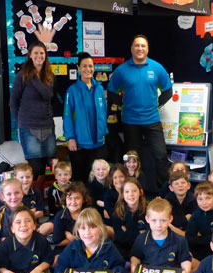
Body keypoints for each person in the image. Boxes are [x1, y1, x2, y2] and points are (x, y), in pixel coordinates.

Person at [107, 34, 173, 188]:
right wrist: (124, 104)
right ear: (131, 48)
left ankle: (165, 190)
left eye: (143, 45)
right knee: (131, 159)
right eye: (137, 45)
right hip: (130, 121)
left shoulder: (157, 67)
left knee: (161, 155)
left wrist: (157, 106)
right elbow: (111, 93)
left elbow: (168, 91)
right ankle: (133, 191)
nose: (140, 48)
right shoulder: (122, 70)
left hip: (152, 119)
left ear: (147, 49)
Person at [10, 41, 61, 177]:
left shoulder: (50, 76)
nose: (39, 56)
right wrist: (21, 122)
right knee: (35, 168)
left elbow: (53, 99)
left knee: (47, 166)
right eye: (36, 53)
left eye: (42, 53)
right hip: (29, 127)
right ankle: (33, 196)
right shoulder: (23, 76)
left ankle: (41, 197)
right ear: (30, 55)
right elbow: (13, 102)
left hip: (48, 126)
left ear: (46, 56)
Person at [130, 198, 192, 273]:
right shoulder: (141, 238)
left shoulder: (180, 240)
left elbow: (185, 259)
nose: (158, 225)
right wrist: (133, 267)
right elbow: (136, 257)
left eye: (163, 220)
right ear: (147, 219)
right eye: (154, 220)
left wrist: (186, 271)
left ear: (170, 219)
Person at [0, 206, 55, 273]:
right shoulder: (6, 244)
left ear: (34, 225)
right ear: (12, 228)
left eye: (28, 221)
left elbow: (48, 259)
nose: (23, 225)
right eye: (18, 222)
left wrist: (38, 269)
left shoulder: (41, 240)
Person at [63, 52, 108, 182]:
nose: (88, 69)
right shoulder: (72, 90)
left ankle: (94, 202)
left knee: (97, 178)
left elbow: (103, 112)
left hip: (98, 142)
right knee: (80, 178)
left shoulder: (99, 88)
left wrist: (103, 132)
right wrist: (70, 138)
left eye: (90, 66)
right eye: (84, 66)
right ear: (78, 68)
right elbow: (67, 115)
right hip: (79, 143)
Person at [186, 181, 213, 273]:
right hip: (197, 252)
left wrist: (199, 237)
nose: (204, 203)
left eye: (208, 198)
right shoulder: (196, 214)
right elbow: (189, 237)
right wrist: (209, 237)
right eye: (200, 199)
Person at [111, 177, 147, 260]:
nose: (131, 194)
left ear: (140, 192)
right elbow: (120, 237)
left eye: (134, 190)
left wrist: (127, 231)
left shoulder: (148, 210)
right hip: (124, 251)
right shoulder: (118, 212)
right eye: (127, 191)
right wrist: (139, 232)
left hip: (144, 249)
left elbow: (148, 235)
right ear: (122, 194)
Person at [52, 182, 91, 252]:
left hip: (87, 246)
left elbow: (94, 236)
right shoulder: (60, 216)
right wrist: (79, 240)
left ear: (84, 199)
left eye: (77, 198)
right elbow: (59, 242)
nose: (73, 202)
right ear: (65, 199)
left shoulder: (89, 214)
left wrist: (72, 238)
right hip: (65, 248)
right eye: (69, 198)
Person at [14, 163, 52, 236]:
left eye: (28, 177)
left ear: (32, 177)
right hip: (18, 227)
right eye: (21, 177)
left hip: (34, 226)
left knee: (50, 226)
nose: (25, 180)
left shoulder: (36, 192)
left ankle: (32, 237)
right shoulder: (14, 194)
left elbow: (41, 213)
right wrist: (32, 212)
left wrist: (25, 215)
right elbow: (13, 217)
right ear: (15, 178)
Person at [0, 178, 24, 251]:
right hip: (4, 251)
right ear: (3, 197)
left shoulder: (27, 214)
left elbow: (32, 235)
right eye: (9, 194)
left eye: (17, 192)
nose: (13, 197)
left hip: (23, 251)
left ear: (22, 193)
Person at [164, 170, 196, 237]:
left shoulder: (194, 200)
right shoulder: (167, 201)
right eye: (176, 183)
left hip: (189, 233)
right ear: (171, 188)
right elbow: (169, 220)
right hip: (171, 234)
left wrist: (178, 220)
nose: (180, 185)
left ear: (188, 185)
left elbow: (194, 220)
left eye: (183, 183)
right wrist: (185, 218)